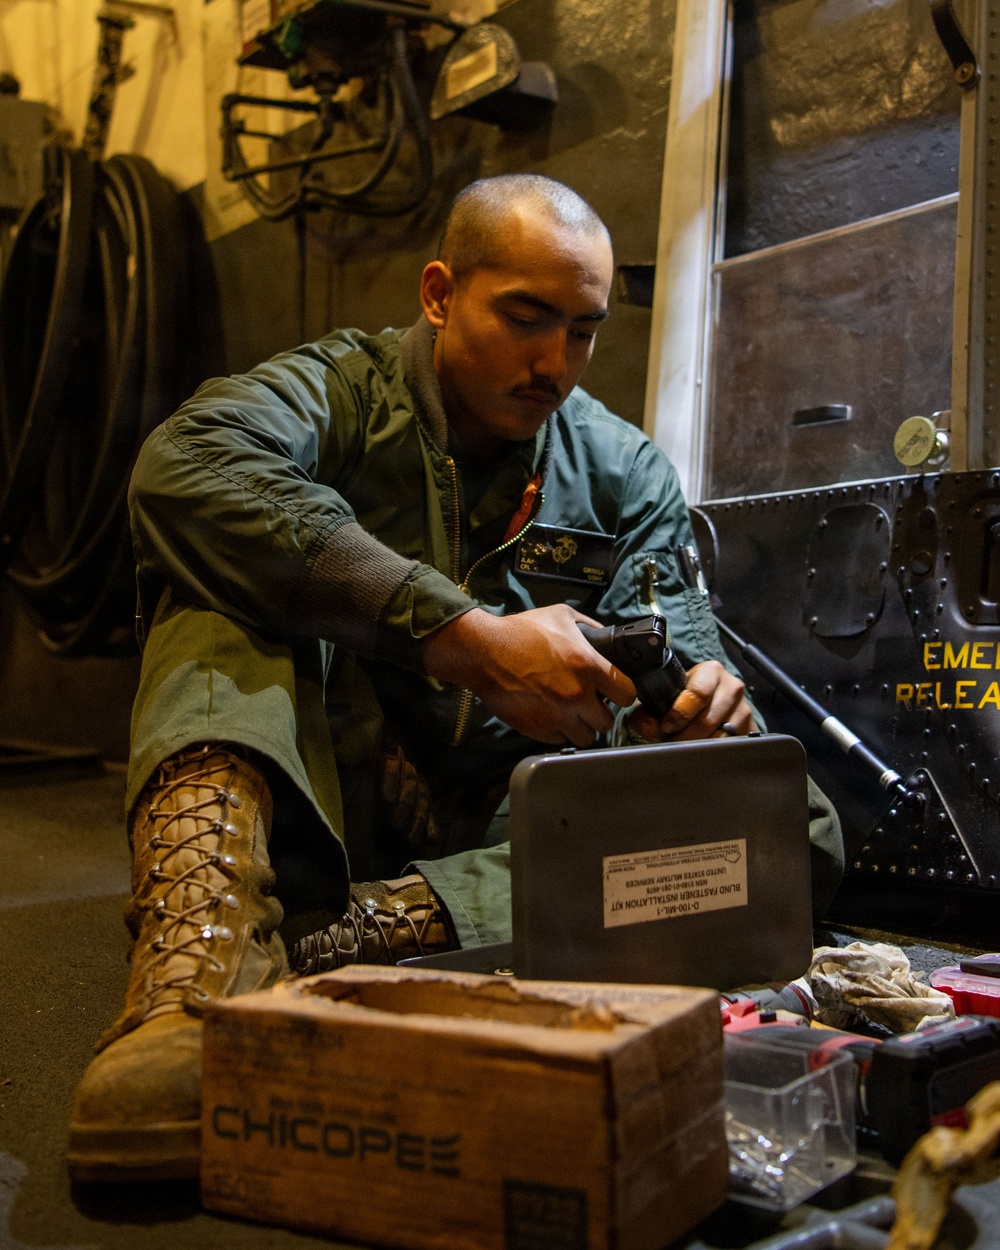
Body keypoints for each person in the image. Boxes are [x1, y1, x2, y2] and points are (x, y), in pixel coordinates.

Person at [67, 174, 843, 1183]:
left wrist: (697, 710)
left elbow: (688, 649)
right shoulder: (338, 391)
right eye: (526, 318)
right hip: (320, 795)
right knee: (217, 586)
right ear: (439, 293)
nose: (554, 363)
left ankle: (366, 933)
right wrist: (464, 635)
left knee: (790, 822)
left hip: (498, 825)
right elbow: (183, 469)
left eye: (584, 330)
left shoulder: (623, 469)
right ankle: (196, 967)